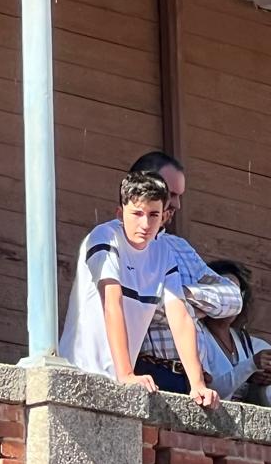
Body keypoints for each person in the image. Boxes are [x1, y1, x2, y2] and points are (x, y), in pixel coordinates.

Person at [59, 170, 218, 409]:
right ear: (120, 213)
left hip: (121, 386)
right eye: (137, 214)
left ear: (165, 216)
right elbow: (112, 304)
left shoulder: (163, 252)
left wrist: (197, 384)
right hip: (81, 372)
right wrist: (126, 374)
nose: (145, 224)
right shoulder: (104, 237)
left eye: (154, 215)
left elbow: (181, 317)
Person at [127, 150, 244, 394]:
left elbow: (233, 298)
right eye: (171, 194)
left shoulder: (179, 247)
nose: (177, 204)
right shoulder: (121, 244)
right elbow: (144, 306)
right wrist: (194, 307)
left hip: (193, 381)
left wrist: (182, 298)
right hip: (148, 376)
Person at [197, 260, 271, 403]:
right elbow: (211, 390)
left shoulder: (246, 343)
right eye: (223, 292)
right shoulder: (199, 335)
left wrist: (259, 378)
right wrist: (252, 365)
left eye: (237, 293)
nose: (232, 300)